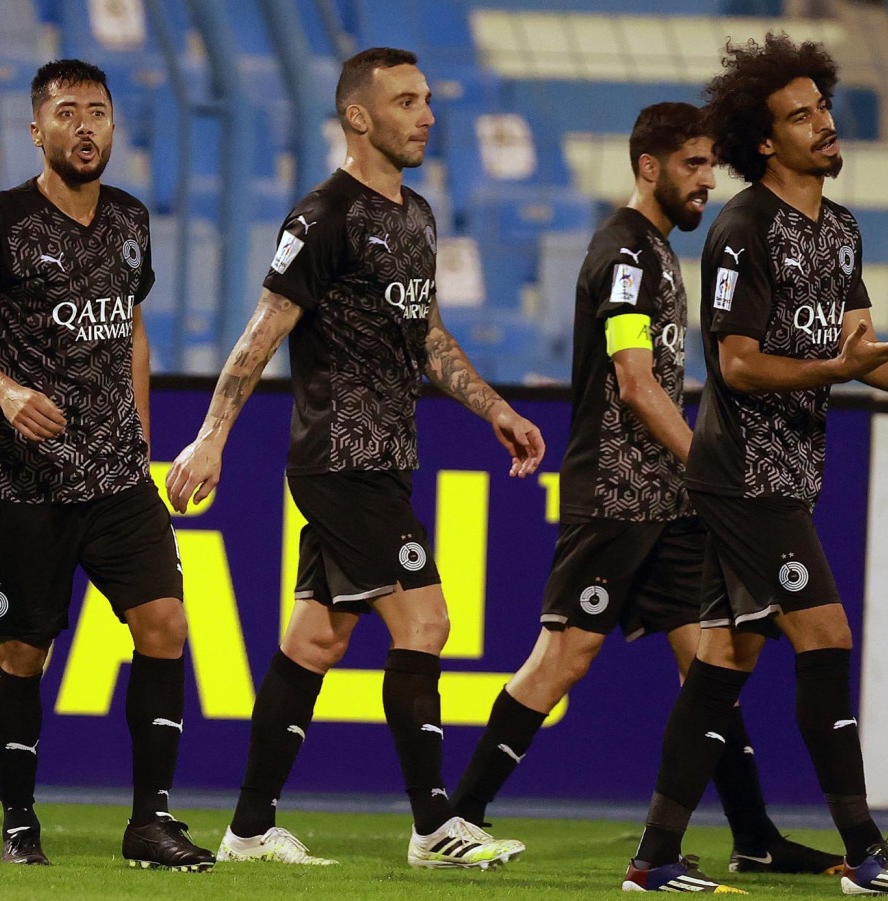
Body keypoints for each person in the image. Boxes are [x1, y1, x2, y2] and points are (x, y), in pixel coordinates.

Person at [165, 46, 545, 870]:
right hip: (338, 460)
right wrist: (212, 436)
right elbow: (263, 331)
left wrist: (496, 410)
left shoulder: (417, 215)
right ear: (359, 116)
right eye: (408, 100)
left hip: (388, 457)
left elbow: (429, 336)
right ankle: (434, 826)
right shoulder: (321, 218)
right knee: (428, 619)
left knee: (315, 641)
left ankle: (248, 830)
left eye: (430, 98)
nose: (429, 115)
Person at [451, 102, 841, 888]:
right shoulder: (626, 251)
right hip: (617, 494)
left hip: (667, 500)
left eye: (710, 166)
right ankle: (456, 818)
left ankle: (755, 836)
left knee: (710, 665)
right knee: (564, 656)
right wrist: (709, 463)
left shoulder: (658, 252)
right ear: (649, 167)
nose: (707, 180)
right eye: (693, 165)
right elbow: (633, 384)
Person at [623, 34, 888, 895]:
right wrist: (840, 371)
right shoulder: (743, 231)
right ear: (764, 141)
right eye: (800, 115)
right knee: (825, 635)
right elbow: (736, 362)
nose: (824, 123)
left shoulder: (841, 228)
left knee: (722, 665)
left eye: (822, 105)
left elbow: (858, 349)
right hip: (742, 473)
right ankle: (865, 851)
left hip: (787, 473)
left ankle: (654, 859)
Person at [0, 59, 213, 872]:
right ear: (37, 130)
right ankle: (20, 820)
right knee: (25, 651)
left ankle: (149, 824)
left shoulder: (129, 219)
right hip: (24, 481)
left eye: (98, 112)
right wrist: (8, 392)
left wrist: (145, 443)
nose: (86, 127)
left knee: (165, 627)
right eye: (67, 113)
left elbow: (130, 328)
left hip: (119, 479)